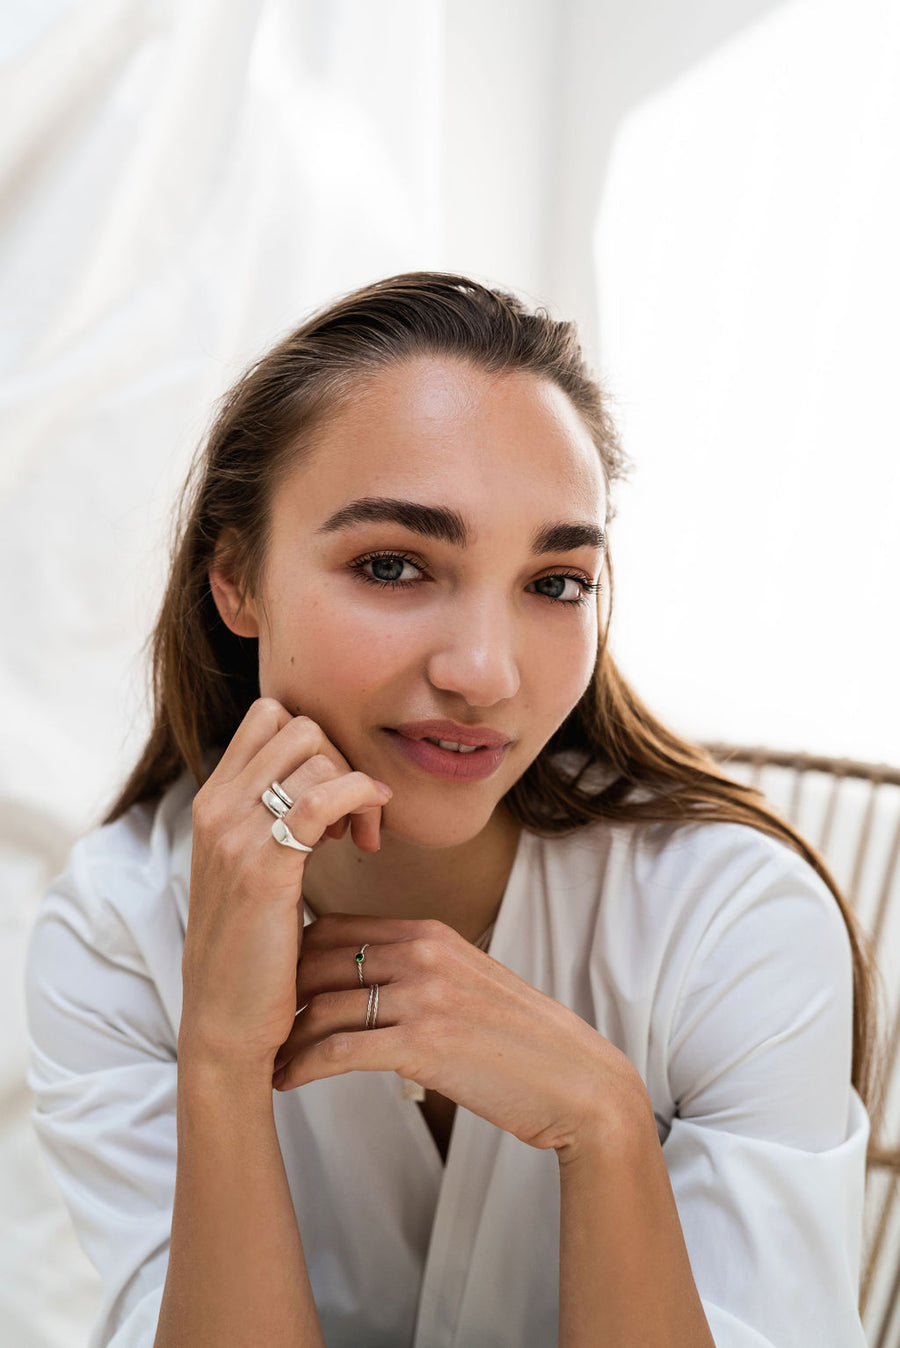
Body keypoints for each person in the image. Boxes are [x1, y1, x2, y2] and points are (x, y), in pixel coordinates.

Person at [24, 272, 876, 1348]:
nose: (484, 671)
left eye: (555, 582)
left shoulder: (734, 923)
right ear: (235, 578)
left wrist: (605, 1125)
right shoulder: (116, 932)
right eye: (394, 564)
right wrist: (223, 1065)